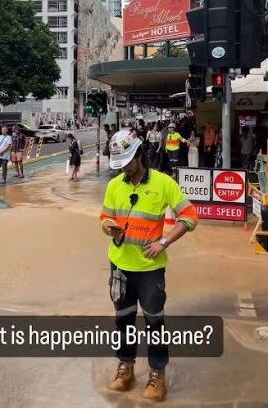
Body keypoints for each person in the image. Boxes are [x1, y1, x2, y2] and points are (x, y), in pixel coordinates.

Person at [100, 130, 198, 401]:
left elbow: (190, 216)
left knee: (154, 322)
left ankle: (157, 375)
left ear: (141, 155)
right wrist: (110, 229)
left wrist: (164, 242)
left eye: (128, 163)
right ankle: (126, 367)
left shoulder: (164, 183)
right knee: (124, 320)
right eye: (119, 164)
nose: (124, 170)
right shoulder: (115, 185)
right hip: (120, 266)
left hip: (150, 270)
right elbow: (105, 216)